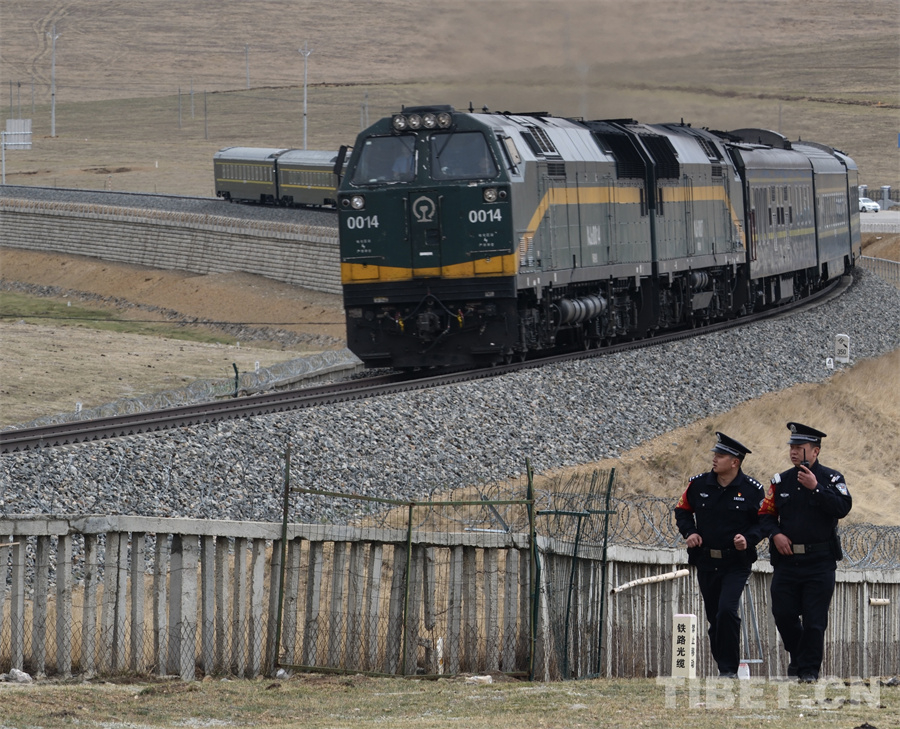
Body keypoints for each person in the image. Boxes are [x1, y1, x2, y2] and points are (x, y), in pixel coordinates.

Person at [759, 422, 852, 682]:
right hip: (787, 562)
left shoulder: (832, 479)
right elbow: (765, 515)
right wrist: (775, 534)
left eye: (799, 447)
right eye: (791, 447)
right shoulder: (781, 481)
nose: (793, 451)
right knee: (783, 614)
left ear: (815, 451)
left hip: (819, 562)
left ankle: (808, 671)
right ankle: (800, 656)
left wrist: (816, 488)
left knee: (814, 621)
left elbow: (843, 507)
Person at [674, 432, 766, 678]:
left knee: (727, 611)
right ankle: (724, 665)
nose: (715, 459)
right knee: (715, 619)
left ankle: (728, 669)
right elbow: (682, 510)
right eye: (715, 454)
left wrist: (748, 539)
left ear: (735, 462)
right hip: (706, 561)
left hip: (736, 563)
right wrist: (690, 532)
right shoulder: (698, 485)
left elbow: (763, 521)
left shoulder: (752, 490)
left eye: (721, 456)